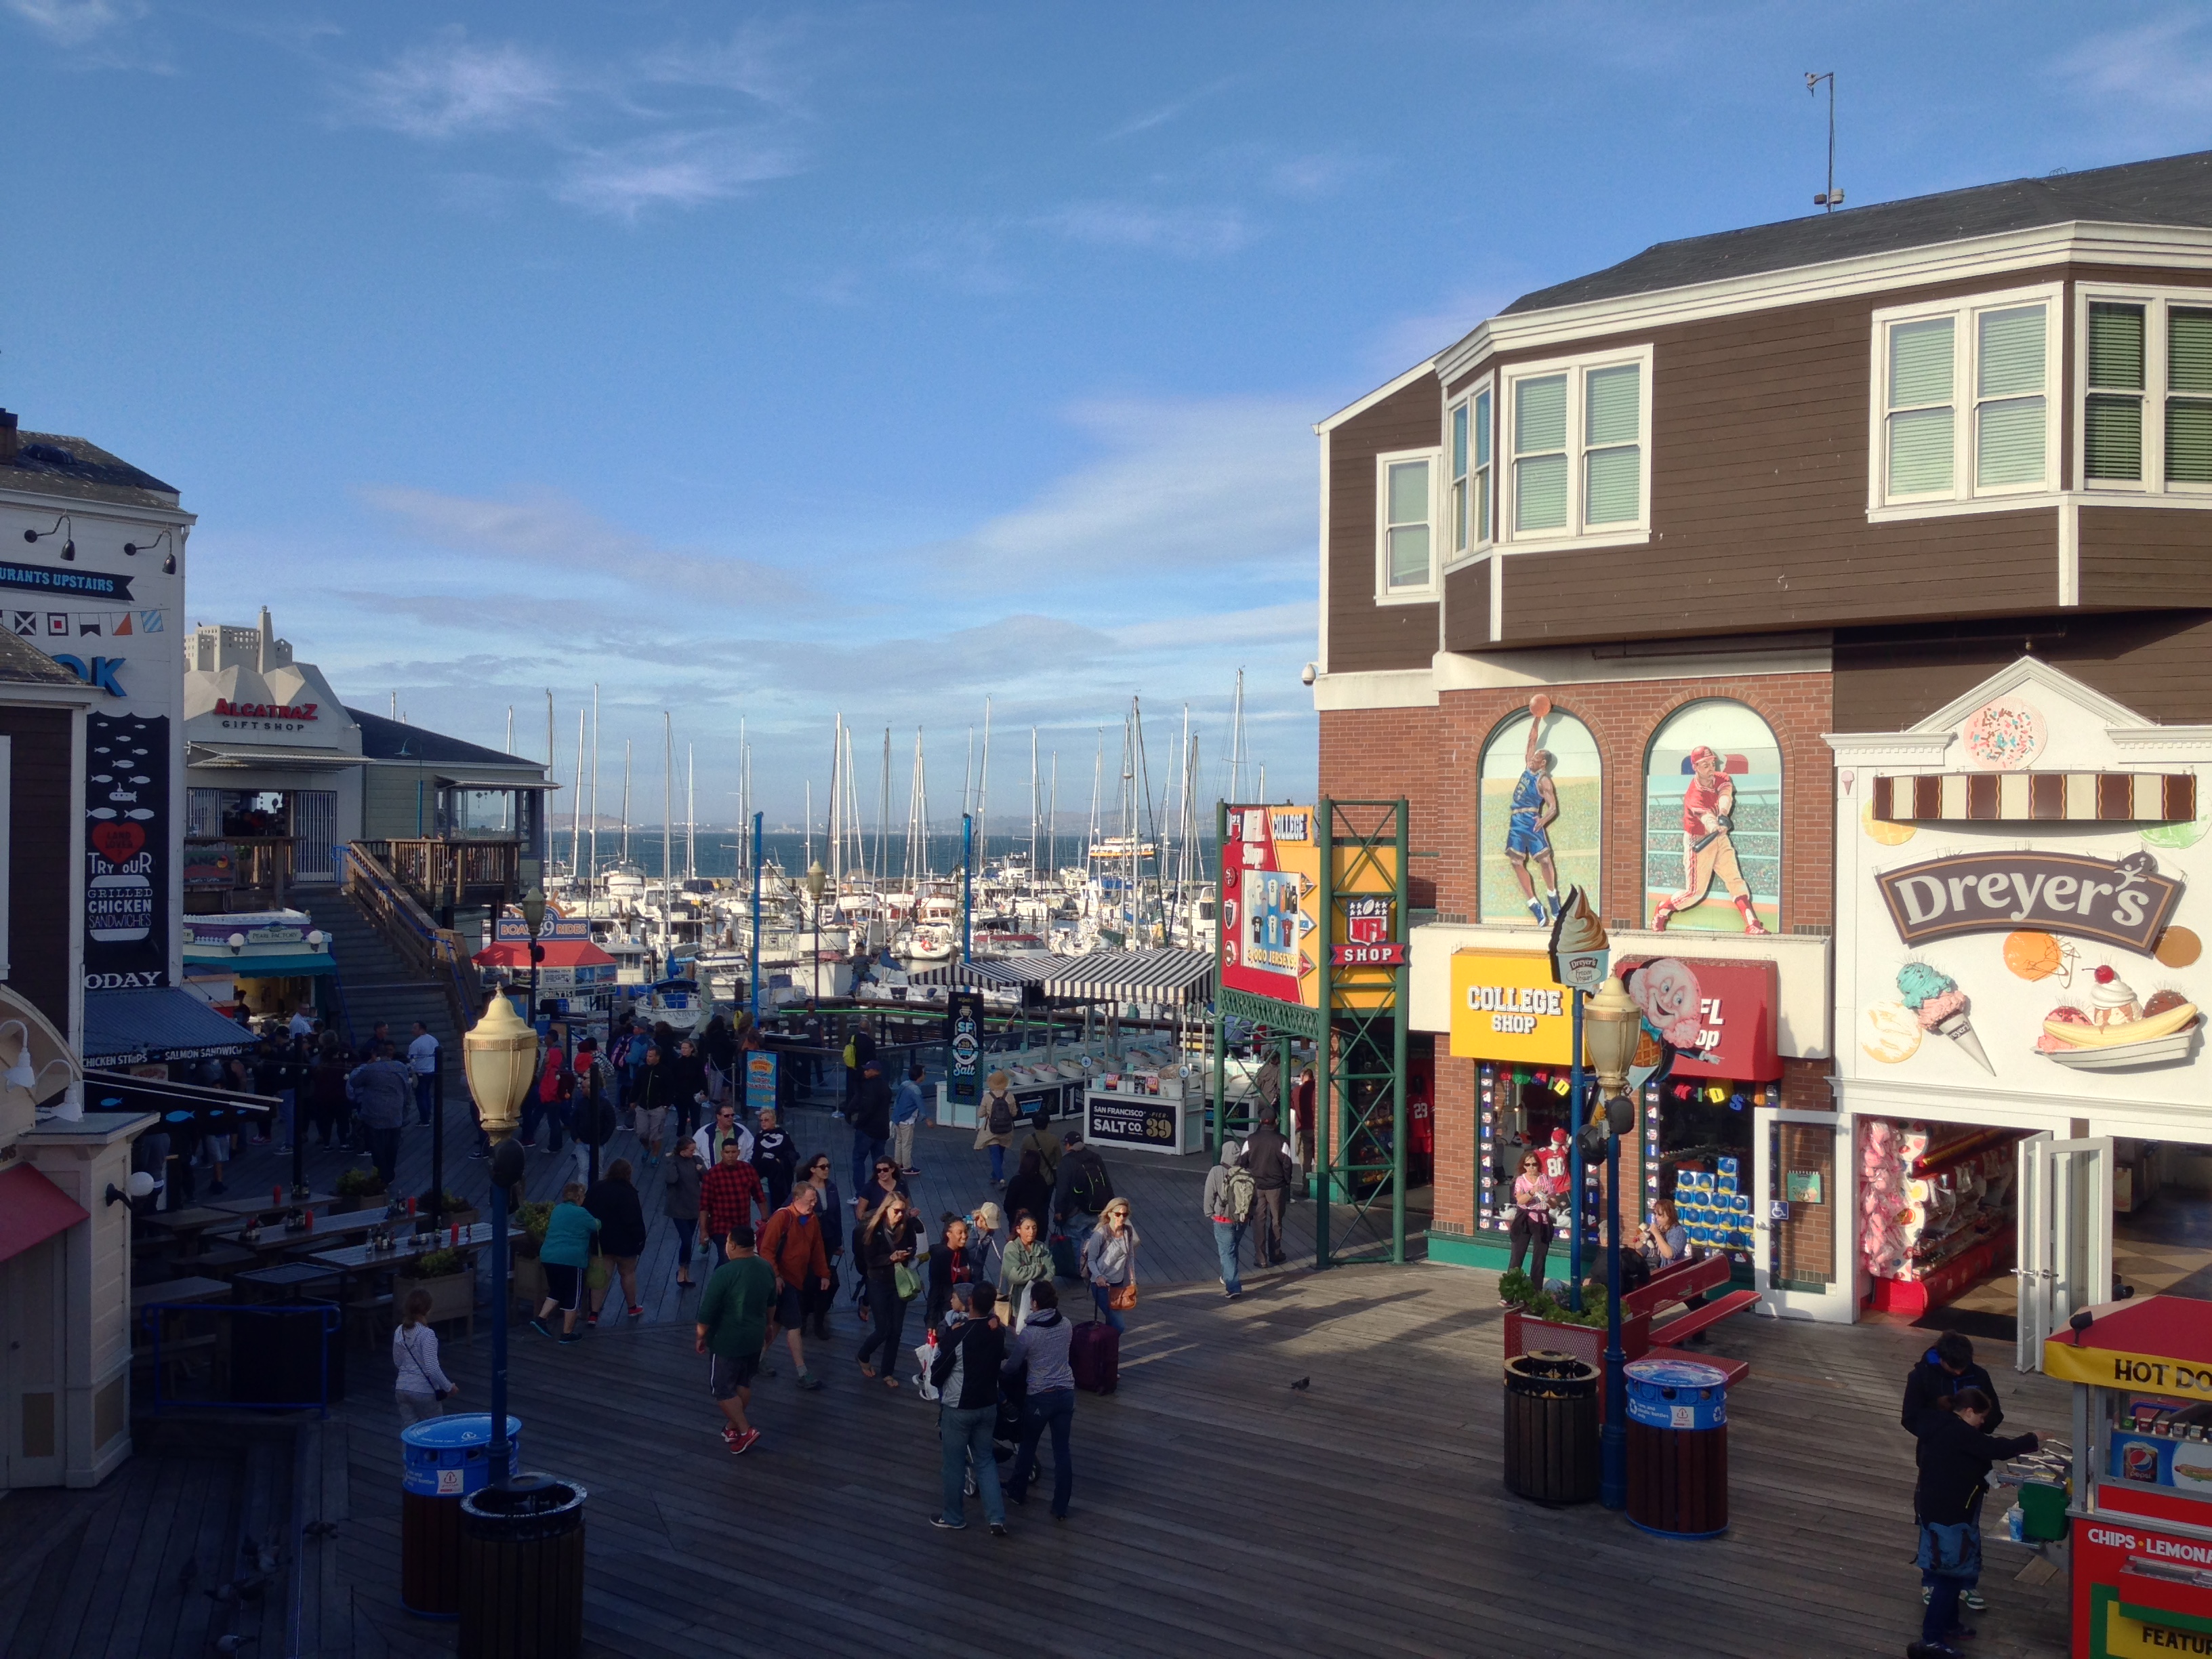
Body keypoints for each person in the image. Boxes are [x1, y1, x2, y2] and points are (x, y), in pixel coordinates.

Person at [1909, 1389, 2036, 1659]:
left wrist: (1987, 1477)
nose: (1982, 1422)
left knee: (1953, 1571)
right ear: (1968, 1412)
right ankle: (1931, 1640)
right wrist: (2033, 1439)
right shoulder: (1961, 1434)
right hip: (1952, 1516)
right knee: (1950, 1575)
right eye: (1981, 1416)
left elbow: (1967, 1459)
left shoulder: (1940, 1427)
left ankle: (1950, 1624)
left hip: (1935, 1511)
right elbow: (1995, 1448)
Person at [1904, 1331, 2005, 1617]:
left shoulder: (1980, 1374)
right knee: (1931, 1522)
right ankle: (1931, 1580)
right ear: (1942, 1359)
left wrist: (1977, 1431)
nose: (1961, 1371)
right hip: (1934, 1461)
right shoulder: (1921, 1376)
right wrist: (1944, 1433)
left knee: (1969, 1524)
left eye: (1965, 1367)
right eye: (1955, 1368)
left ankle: (1967, 1583)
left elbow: (1995, 1413)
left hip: (1972, 1462)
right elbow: (1910, 1417)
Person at [1653, 743, 1768, 935]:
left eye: (1712, 763)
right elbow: (1706, 818)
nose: (1710, 768)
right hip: (1698, 839)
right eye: (1704, 765)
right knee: (1694, 894)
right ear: (1695, 768)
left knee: (1735, 879)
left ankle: (1752, 923)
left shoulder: (1721, 778)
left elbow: (1725, 795)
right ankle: (1663, 910)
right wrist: (1716, 825)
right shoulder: (1694, 795)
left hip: (1719, 838)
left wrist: (1723, 815)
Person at [929, 1281, 1008, 1534]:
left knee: (953, 1464)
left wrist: (948, 1338)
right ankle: (996, 1518)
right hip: (988, 1405)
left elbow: (936, 1374)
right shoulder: (997, 1331)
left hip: (959, 1408)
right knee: (985, 1460)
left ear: (970, 1301)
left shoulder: (957, 1335)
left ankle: (954, 1517)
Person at [697, 1225, 776, 1456]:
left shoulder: (725, 1273)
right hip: (754, 1336)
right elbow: (772, 1303)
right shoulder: (765, 1267)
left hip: (727, 1339)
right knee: (743, 1383)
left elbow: (707, 1310)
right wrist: (768, 1327)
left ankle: (745, 1430)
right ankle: (732, 1427)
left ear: (731, 1245)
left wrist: (701, 1335)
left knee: (722, 1388)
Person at [1002, 1278, 1075, 1518]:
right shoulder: (1066, 1325)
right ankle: (1061, 1506)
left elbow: (1012, 1367)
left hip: (1040, 1396)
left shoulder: (1029, 1334)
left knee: (1028, 1444)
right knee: (1062, 1450)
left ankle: (1017, 1491)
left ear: (1034, 1303)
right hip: (1066, 1393)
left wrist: (1000, 1365)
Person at [757, 1183, 831, 1391]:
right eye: (810, 1201)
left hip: (795, 1280)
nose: (814, 1204)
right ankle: (802, 1372)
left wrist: (824, 1274)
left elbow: (817, 1248)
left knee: (779, 1323)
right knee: (794, 1326)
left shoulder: (811, 1219)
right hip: (782, 1281)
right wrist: (777, 1276)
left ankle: (757, 1359)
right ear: (796, 1199)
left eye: (815, 1200)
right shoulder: (782, 1218)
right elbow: (766, 1250)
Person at [1504, 695, 1564, 924]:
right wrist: (1538, 719)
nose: (1532, 758)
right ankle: (1534, 904)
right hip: (1516, 820)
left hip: (1531, 818)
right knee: (1515, 862)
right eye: (1534, 756)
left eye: (1537, 757)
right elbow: (1531, 740)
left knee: (1545, 861)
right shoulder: (1528, 766)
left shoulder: (1543, 780)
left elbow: (1553, 806)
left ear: (1543, 763)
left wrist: (1545, 820)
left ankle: (1552, 897)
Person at [855, 1190, 920, 1387]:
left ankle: (888, 1372)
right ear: (886, 1209)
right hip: (878, 1282)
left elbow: (913, 1246)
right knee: (883, 1328)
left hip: (898, 1283)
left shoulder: (905, 1226)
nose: (901, 1215)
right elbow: (869, 1260)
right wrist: (890, 1258)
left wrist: (907, 1254)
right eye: (897, 1211)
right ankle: (863, 1354)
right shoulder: (873, 1228)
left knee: (897, 1330)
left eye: (903, 1211)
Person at [531, 1182, 600, 1343]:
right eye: (582, 1196)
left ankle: (541, 1318)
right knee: (572, 1296)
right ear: (578, 1197)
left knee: (556, 1290)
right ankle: (567, 1333)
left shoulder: (557, 1210)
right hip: (571, 1260)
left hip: (549, 1257)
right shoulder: (582, 1213)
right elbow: (596, 1225)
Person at [583, 1159, 648, 1321]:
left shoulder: (597, 1188)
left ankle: (593, 1314)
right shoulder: (628, 1192)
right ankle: (632, 1307)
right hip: (625, 1243)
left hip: (602, 1241)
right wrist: (640, 1240)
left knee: (601, 1277)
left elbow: (586, 1211)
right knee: (627, 1273)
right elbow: (634, 1219)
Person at [350, 1042, 413, 1189]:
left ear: (374, 1054)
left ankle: (381, 1174)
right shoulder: (401, 1067)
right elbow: (407, 1087)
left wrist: (367, 1064)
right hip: (395, 1111)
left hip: (374, 1113)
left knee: (377, 1146)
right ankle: (390, 1172)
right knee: (393, 1145)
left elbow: (354, 1082)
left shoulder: (370, 1069)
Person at [1239, 1108, 1294, 1269]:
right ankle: (1276, 1254)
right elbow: (1287, 1164)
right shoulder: (1281, 1141)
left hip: (1256, 1186)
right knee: (1276, 1221)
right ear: (1276, 1122)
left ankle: (1261, 1258)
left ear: (1260, 1122)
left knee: (1258, 1221)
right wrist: (1287, 1181)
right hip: (1276, 1187)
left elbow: (1242, 1162)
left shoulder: (1251, 1140)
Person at [392, 1287, 455, 1423]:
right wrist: (448, 1387)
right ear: (428, 1309)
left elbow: (397, 1362)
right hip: (424, 1391)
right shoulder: (427, 1335)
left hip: (402, 1387)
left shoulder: (399, 1331)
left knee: (409, 1432)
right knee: (435, 1431)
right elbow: (432, 1368)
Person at [799, 1153, 844, 1339]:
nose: (827, 1170)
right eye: (823, 1167)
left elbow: (838, 1214)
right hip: (807, 1242)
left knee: (824, 1280)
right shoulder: (803, 1189)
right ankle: (801, 1321)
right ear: (813, 1169)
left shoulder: (831, 1188)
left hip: (828, 1239)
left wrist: (838, 1242)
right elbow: (792, 1213)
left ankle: (819, 1322)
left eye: (828, 1166)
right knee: (807, 1281)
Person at [1203, 1136, 1255, 1298]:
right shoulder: (1246, 1173)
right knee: (1232, 1248)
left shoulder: (1216, 1171)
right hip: (1242, 1219)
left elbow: (1209, 1194)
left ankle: (1233, 1287)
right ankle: (1227, 1277)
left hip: (1223, 1219)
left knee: (1227, 1252)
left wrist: (1209, 1212)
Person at [1051, 1128, 1111, 1262]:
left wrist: (1059, 1210)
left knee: (1075, 1240)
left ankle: (1080, 1270)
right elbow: (1106, 1182)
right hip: (1098, 1209)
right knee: (1094, 1240)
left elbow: (1062, 1189)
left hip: (1075, 1211)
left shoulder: (1066, 1162)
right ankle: (1094, 1267)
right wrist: (1111, 1205)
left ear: (1068, 1145)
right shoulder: (1096, 1157)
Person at [1504, 1151, 1555, 1303]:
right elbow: (1520, 1200)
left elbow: (1554, 1202)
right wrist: (1532, 1192)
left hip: (1542, 1218)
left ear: (1538, 1165)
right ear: (1523, 1166)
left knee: (1539, 1259)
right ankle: (1508, 1296)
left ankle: (1534, 1295)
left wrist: (1548, 1200)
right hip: (1525, 1217)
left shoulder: (1546, 1179)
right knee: (1516, 1257)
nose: (1531, 1167)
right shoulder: (1521, 1180)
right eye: (1528, 1164)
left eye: (1534, 1164)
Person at [1083, 1197, 1138, 1334]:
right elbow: (1091, 1260)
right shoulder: (1100, 1234)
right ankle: (1108, 1347)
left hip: (1118, 1283)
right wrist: (1099, 1276)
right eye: (1117, 1214)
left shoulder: (1128, 1232)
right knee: (1119, 1325)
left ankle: (1108, 1351)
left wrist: (1132, 1280)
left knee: (1111, 1322)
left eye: (1124, 1214)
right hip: (1101, 1284)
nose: (1121, 1218)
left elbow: (1130, 1257)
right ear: (1109, 1214)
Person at [699, 1138, 766, 1248]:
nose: (730, 1155)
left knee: (742, 1258)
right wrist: (703, 1231)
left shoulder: (748, 1170)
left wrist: (765, 1220)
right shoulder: (712, 1174)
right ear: (722, 1153)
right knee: (725, 1256)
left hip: (743, 1224)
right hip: (720, 1225)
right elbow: (704, 1205)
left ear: (739, 1153)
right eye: (727, 1152)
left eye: (733, 1152)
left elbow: (759, 1196)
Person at [998, 1210, 1054, 1330]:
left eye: (1034, 1228)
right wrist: (1038, 1268)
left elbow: (1050, 1273)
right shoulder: (1011, 1248)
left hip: (1038, 1299)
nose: (1031, 1231)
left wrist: (1028, 1275)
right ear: (1019, 1230)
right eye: (1027, 1228)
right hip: (1016, 1301)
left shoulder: (1042, 1247)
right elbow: (1015, 1276)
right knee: (1018, 1330)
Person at [665, 1137, 705, 1288]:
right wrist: (671, 1163)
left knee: (688, 1242)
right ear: (682, 1151)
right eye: (691, 1150)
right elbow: (671, 1179)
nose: (693, 1152)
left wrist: (702, 1170)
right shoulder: (673, 1161)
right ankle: (682, 1270)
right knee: (687, 1240)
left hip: (694, 1206)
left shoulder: (696, 1160)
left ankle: (685, 1271)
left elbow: (707, 1177)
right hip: (678, 1208)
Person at [848, 1058, 892, 1195]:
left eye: (868, 1070)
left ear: (875, 1071)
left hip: (867, 1130)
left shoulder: (868, 1087)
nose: (865, 1072)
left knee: (858, 1160)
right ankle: (881, 1191)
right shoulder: (886, 1087)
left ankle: (860, 1194)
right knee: (880, 1164)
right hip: (883, 1130)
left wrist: (858, 1124)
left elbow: (867, 1109)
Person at [928, 1212, 979, 1329]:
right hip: (945, 1309)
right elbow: (935, 1288)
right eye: (960, 1233)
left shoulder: (964, 1253)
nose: (965, 1236)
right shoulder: (940, 1256)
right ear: (949, 1234)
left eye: (965, 1232)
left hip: (964, 1309)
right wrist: (931, 1321)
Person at [631, 1044, 674, 1164]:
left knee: (656, 1136)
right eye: (648, 1056)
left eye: (651, 1056)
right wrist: (632, 1100)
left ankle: (655, 1156)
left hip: (658, 1107)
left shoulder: (665, 1072)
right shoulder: (642, 1070)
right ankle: (646, 1148)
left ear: (658, 1057)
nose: (648, 1058)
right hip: (642, 1107)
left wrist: (666, 1105)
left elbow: (670, 1090)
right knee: (641, 1133)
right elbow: (636, 1086)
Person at [975, 1071, 1019, 1186]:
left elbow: (980, 1114)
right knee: (1000, 1153)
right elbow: (1014, 1114)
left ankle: (1001, 1178)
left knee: (994, 1154)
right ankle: (994, 1175)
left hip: (991, 1130)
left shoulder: (988, 1097)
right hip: (1006, 1130)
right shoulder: (1009, 1096)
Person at [752, 1107, 799, 1212]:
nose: (763, 1122)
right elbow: (756, 1159)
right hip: (764, 1181)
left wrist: (779, 1162)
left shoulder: (784, 1136)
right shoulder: (758, 1137)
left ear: (773, 1120)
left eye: (766, 1120)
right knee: (768, 1212)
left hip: (781, 1180)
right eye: (761, 1120)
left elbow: (791, 1156)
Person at [308, 1036, 351, 1149]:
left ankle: (327, 1144)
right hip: (339, 1097)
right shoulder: (342, 1066)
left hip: (322, 1098)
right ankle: (343, 1143)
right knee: (341, 1121)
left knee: (326, 1122)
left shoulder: (320, 1067)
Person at [1002, 1149, 1053, 1240]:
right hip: (1038, 1225)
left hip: (1019, 1225)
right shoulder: (1041, 1181)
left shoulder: (1016, 1181)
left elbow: (1007, 1206)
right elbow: (1045, 1202)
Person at [693, 1101, 755, 1168]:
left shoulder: (743, 1131)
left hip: (736, 1173)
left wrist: (743, 1166)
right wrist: (704, 1167)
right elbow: (695, 1150)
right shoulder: (704, 1132)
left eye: (732, 1115)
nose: (730, 1118)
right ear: (718, 1117)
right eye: (727, 1116)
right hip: (713, 1174)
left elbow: (751, 1150)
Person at [891, 1063, 927, 1176]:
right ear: (920, 1076)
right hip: (908, 1120)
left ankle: (898, 1163)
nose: (925, 1075)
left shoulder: (904, 1084)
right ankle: (907, 1167)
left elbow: (897, 1100)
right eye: (924, 1073)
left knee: (899, 1141)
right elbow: (921, 1107)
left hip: (898, 1118)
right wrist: (924, 1118)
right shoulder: (916, 1090)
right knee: (907, 1144)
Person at [1016, 1107, 1064, 1189]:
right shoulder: (1054, 1140)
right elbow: (1059, 1162)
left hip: (1030, 1179)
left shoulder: (1026, 1140)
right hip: (1047, 1180)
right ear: (1047, 1124)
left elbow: (1022, 1161)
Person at [407, 1020, 440, 1127]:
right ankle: (428, 1116)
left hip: (420, 1072)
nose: (412, 1031)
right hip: (431, 1071)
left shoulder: (415, 1044)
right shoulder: (434, 1040)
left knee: (420, 1096)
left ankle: (424, 1119)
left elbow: (412, 1059)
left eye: (415, 1028)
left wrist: (412, 1070)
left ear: (421, 1029)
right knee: (427, 1094)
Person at [1292, 1065, 1316, 1168]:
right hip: (1317, 1129)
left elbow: (1291, 1104)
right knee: (1320, 1162)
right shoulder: (1318, 1089)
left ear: (1302, 1076)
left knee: (1305, 1163)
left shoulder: (1297, 1091)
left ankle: (1306, 1183)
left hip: (1302, 1129)